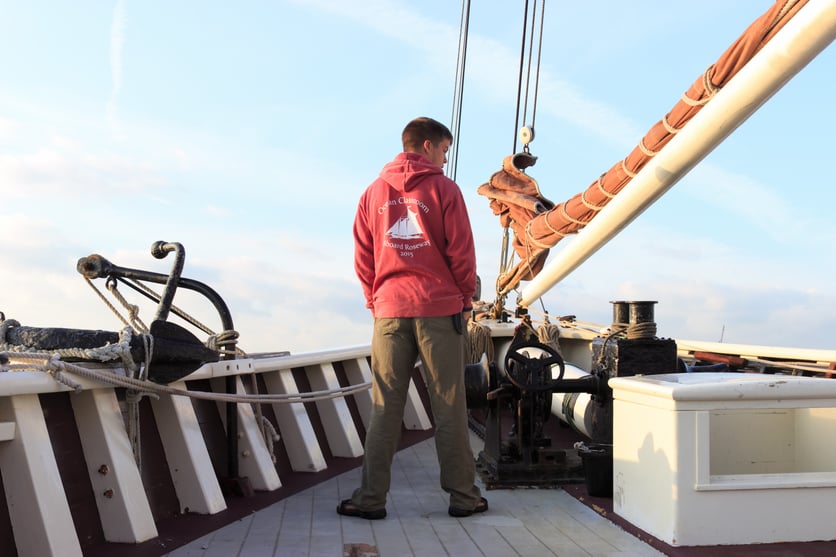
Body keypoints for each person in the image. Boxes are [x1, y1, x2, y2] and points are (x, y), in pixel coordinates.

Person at [337, 117, 487, 520]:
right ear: (426, 146)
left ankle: (370, 500)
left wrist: (375, 301)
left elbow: (363, 256)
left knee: (385, 406)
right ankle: (463, 498)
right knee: (449, 407)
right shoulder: (444, 189)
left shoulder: (372, 193)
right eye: (443, 151)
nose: (443, 159)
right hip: (439, 309)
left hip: (389, 311)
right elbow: (461, 254)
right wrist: (464, 299)